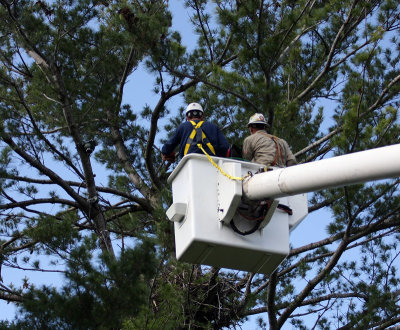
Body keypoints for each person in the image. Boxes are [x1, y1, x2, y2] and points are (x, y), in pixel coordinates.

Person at [161, 102, 229, 162]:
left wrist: (169, 155)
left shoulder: (182, 127)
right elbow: (224, 147)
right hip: (211, 163)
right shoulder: (214, 127)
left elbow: (167, 148)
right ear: (202, 116)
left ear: (187, 117)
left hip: (188, 163)